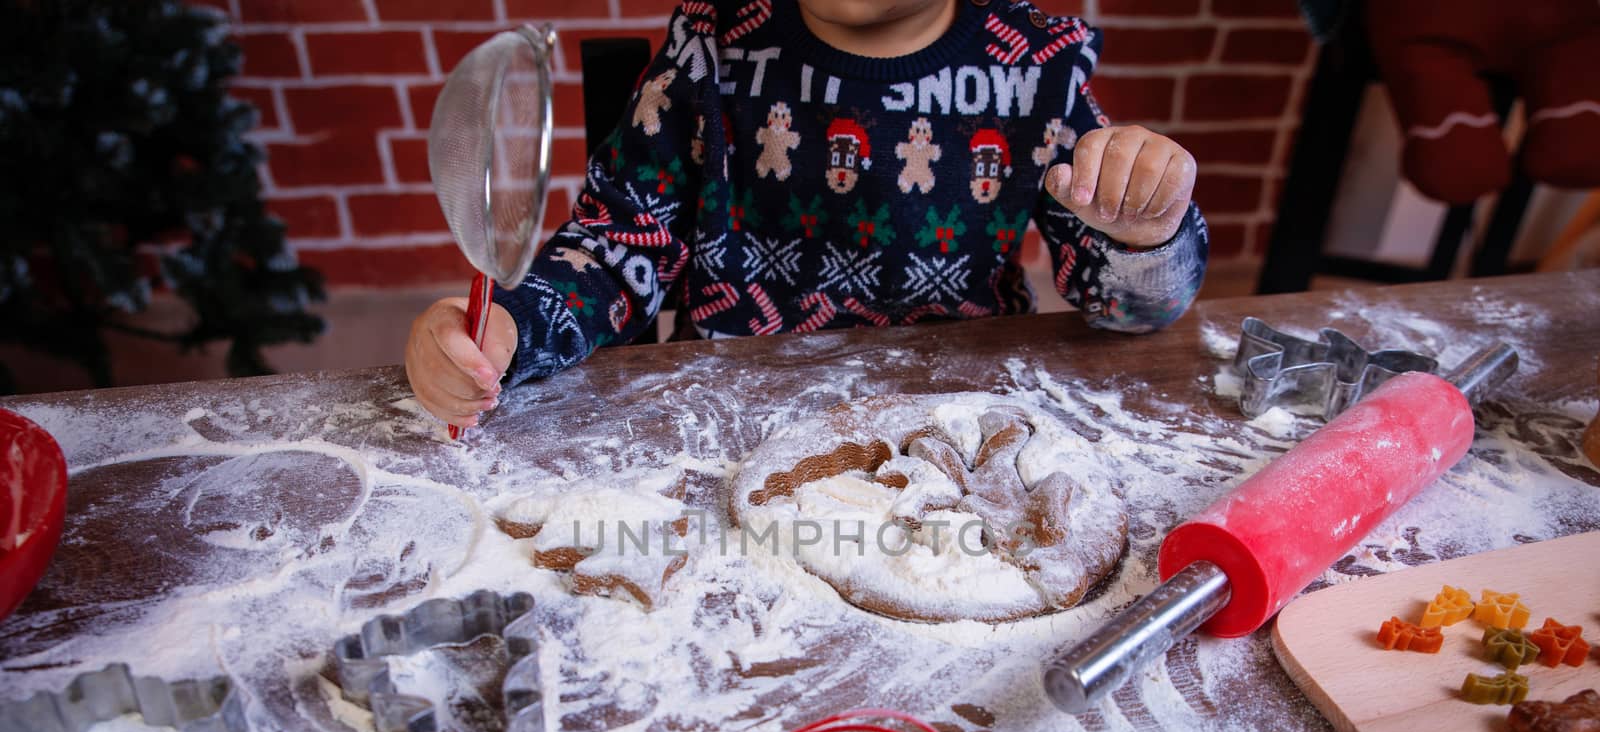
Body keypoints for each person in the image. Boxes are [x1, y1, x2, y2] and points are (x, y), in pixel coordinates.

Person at [405, 0, 1207, 429]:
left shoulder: (1036, 70)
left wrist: (1146, 233)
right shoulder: (709, 48)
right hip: (721, 420)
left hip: (956, 424)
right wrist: (510, 328)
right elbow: (616, 249)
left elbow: (1134, 308)